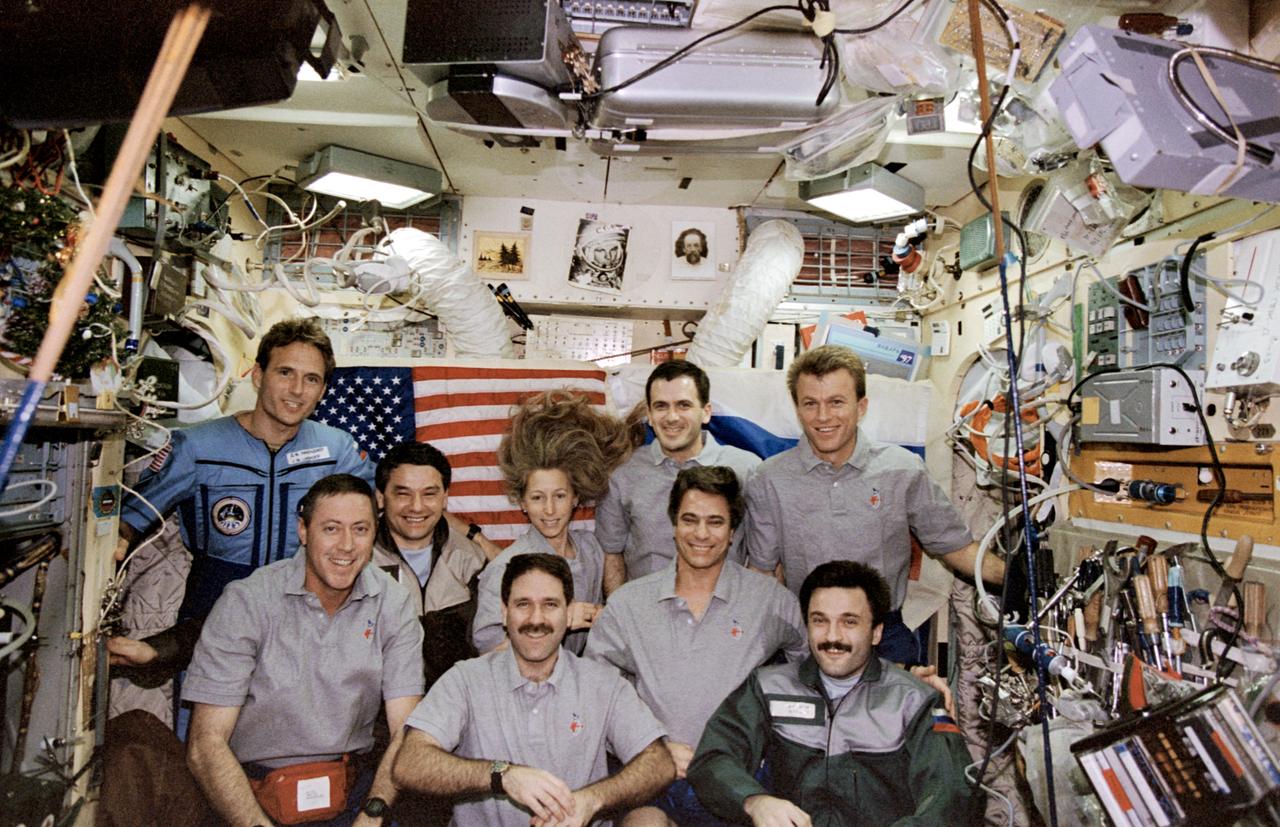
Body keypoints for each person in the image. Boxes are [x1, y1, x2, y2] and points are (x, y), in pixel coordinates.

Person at [109, 318, 373, 673]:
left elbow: (378, 512)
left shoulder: (336, 449)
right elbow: (131, 519)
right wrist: (115, 548)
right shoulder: (198, 446)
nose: (297, 390)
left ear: (323, 390)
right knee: (205, 717)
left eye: (311, 379)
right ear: (258, 375)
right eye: (285, 373)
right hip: (212, 598)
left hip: (303, 603)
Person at [183, 474, 424, 826]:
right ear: (303, 530)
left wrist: (372, 816)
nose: (346, 545)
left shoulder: (393, 602)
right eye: (330, 529)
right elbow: (206, 746)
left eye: (360, 529)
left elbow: (406, 731)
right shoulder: (248, 601)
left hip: (352, 791)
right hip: (250, 794)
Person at [745, 344, 1002, 666]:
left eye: (836, 402)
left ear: (861, 406)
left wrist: (1017, 578)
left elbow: (955, 547)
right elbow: (764, 573)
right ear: (798, 409)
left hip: (884, 636)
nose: (823, 417)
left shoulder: (902, 470)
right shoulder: (769, 479)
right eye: (810, 404)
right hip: (806, 636)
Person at [586, 466, 806, 827]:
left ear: (733, 531)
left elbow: (822, 666)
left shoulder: (770, 602)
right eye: (690, 520)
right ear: (674, 525)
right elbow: (596, 695)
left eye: (715, 522)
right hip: (656, 778)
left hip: (740, 781)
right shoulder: (628, 605)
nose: (701, 534)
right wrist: (652, 749)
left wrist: (905, 675)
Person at [393, 553, 675, 827]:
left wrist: (592, 800)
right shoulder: (466, 679)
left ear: (568, 612)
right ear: (504, 613)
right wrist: (501, 775)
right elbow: (408, 762)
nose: (536, 619)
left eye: (550, 604)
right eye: (523, 604)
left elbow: (659, 762)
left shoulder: (602, 683)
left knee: (650, 819)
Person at [687, 560, 974, 826]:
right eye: (820, 620)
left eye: (849, 622)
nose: (833, 636)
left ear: (876, 632)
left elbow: (952, 798)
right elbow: (713, 758)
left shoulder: (916, 701)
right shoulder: (768, 687)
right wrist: (753, 801)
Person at [472, 390, 637, 655]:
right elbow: (487, 656)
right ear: (523, 503)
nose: (549, 510)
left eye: (559, 496)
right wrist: (558, 622)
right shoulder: (506, 567)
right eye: (537, 498)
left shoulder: (590, 550)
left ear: (575, 497)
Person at [597, 360, 759, 595]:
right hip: (646, 616)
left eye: (683, 405)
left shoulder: (747, 469)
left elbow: (763, 558)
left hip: (723, 617)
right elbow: (611, 553)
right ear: (650, 416)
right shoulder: (624, 473)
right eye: (661, 406)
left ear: (706, 412)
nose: (672, 417)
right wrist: (621, 615)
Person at [373, 440, 495, 689]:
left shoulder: (471, 560)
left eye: (429, 494)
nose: (416, 506)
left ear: (445, 498)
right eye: (403, 493)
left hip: (455, 709)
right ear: (381, 497)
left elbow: (492, 646)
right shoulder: (356, 559)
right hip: (374, 716)